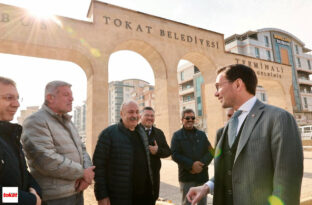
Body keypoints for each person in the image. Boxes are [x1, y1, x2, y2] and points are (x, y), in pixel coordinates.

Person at [187, 64, 303, 205]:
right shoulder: (229, 125)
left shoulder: (279, 118)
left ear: (237, 84)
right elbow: (230, 169)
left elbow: (287, 180)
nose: (216, 93)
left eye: (218, 86)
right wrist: (207, 187)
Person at [21, 81, 94, 205]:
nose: (72, 98)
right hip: (55, 198)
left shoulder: (68, 122)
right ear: (50, 98)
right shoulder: (36, 121)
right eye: (66, 95)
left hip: (77, 192)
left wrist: (87, 174)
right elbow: (46, 159)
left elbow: (82, 149)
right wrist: (82, 172)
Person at [93, 100, 154, 205]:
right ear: (121, 114)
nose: (134, 115)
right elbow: (98, 167)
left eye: (137, 112)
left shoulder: (141, 132)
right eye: (130, 112)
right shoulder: (108, 134)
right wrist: (102, 195)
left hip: (144, 196)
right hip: (120, 197)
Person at [0, 76, 42, 205]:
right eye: (8, 98)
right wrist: (30, 199)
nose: (17, 104)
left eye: (17, 98)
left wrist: (36, 189)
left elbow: (22, 171)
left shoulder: (10, 135)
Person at [171, 109, 214, 205]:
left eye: (193, 118)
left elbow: (212, 152)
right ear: (182, 120)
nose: (190, 120)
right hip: (186, 178)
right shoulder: (177, 136)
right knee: (187, 203)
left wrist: (200, 165)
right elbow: (174, 154)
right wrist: (191, 165)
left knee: (202, 203)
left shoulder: (202, 135)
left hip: (202, 177)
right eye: (187, 118)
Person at [140, 106, 171, 204]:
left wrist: (157, 151)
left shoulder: (159, 133)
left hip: (153, 178)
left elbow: (168, 151)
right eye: (147, 115)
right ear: (141, 116)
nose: (150, 118)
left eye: (152, 116)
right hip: (137, 178)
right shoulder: (133, 131)